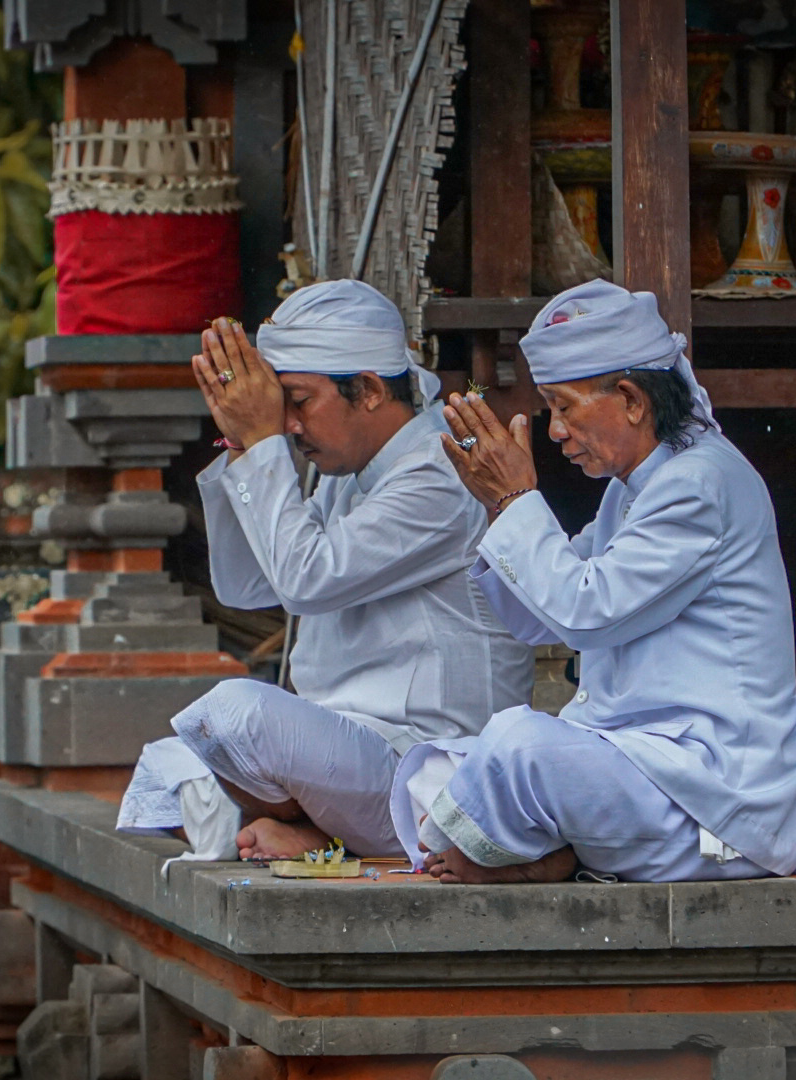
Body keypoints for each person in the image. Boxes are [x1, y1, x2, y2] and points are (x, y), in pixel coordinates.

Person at [387, 279, 796, 884]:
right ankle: (551, 851)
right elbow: (537, 614)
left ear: (631, 399)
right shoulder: (639, 485)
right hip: (644, 769)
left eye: (564, 407)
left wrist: (516, 498)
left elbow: (584, 614)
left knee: (517, 743)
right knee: (436, 765)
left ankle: (542, 852)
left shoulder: (698, 483)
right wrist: (499, 507)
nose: (556, 430)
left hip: (713, 801)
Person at [116, 280, 534, 863]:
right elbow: (250, 584)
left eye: (298, 401)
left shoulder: (441, 471)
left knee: (236, 712)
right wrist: (242, 444)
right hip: (342, 760)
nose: (287, 424)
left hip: (425, 772)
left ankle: (305, 822)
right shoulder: (351, 476)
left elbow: (303, 580)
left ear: (365, 390)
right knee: (168, 761)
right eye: (278, 407)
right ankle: (312, 826)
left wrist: (263, 444)